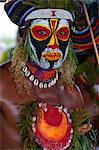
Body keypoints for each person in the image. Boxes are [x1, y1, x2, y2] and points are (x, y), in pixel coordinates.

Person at [0, 0, 98, 149]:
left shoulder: (72, 93)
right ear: (24, 34)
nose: (54, 43)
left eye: (62, 33)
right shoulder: (2, 82)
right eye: (42, 32)